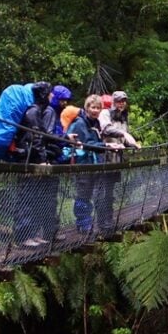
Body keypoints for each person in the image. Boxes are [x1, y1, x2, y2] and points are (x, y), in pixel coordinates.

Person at [68, 94, 123, 234]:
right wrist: (106, 145)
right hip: (84, 165)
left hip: (95, 164)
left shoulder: (95, 123)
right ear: (87, 108)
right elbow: (87, 144)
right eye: (93, 107)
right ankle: (83, 225)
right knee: (83, 195)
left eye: (98, 108)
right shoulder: (80, 123)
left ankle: (95, 223)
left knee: (97, 195)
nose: (95, 110)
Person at [10, 81, 53, 247]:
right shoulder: (33, 111)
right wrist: (43, 159)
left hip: (31, 158)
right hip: (28, 160)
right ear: (43, 94)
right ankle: (22, 238)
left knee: (34, 198)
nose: (52, 96)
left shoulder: (36, 110)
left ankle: (32, 235)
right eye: (49, 93)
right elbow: (35, 138)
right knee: (27, 198)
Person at [97, 91, 141, 236]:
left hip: (117, 160)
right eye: (119, 101)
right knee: (103, 191)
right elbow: (107, 129)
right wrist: (124, 135)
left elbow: (123, 138)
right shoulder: (105, 113)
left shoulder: (123, 117)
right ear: (113, 101)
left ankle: (108, 221)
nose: (121, 103)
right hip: (104, 159)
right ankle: (102, 223)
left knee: (110, 192)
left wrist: (132, 145)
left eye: (123, 101)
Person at [41, 84, 73, 242]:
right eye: (62, 100)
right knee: (48, 198)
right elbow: (48, 136)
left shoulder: (55, 113)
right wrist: (66, 139)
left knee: (50, 197)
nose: (64, 104)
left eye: (66, 101)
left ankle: (50, 232)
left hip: (53, 159)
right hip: (48, 160)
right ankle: (49, 233)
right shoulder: (50, 112)